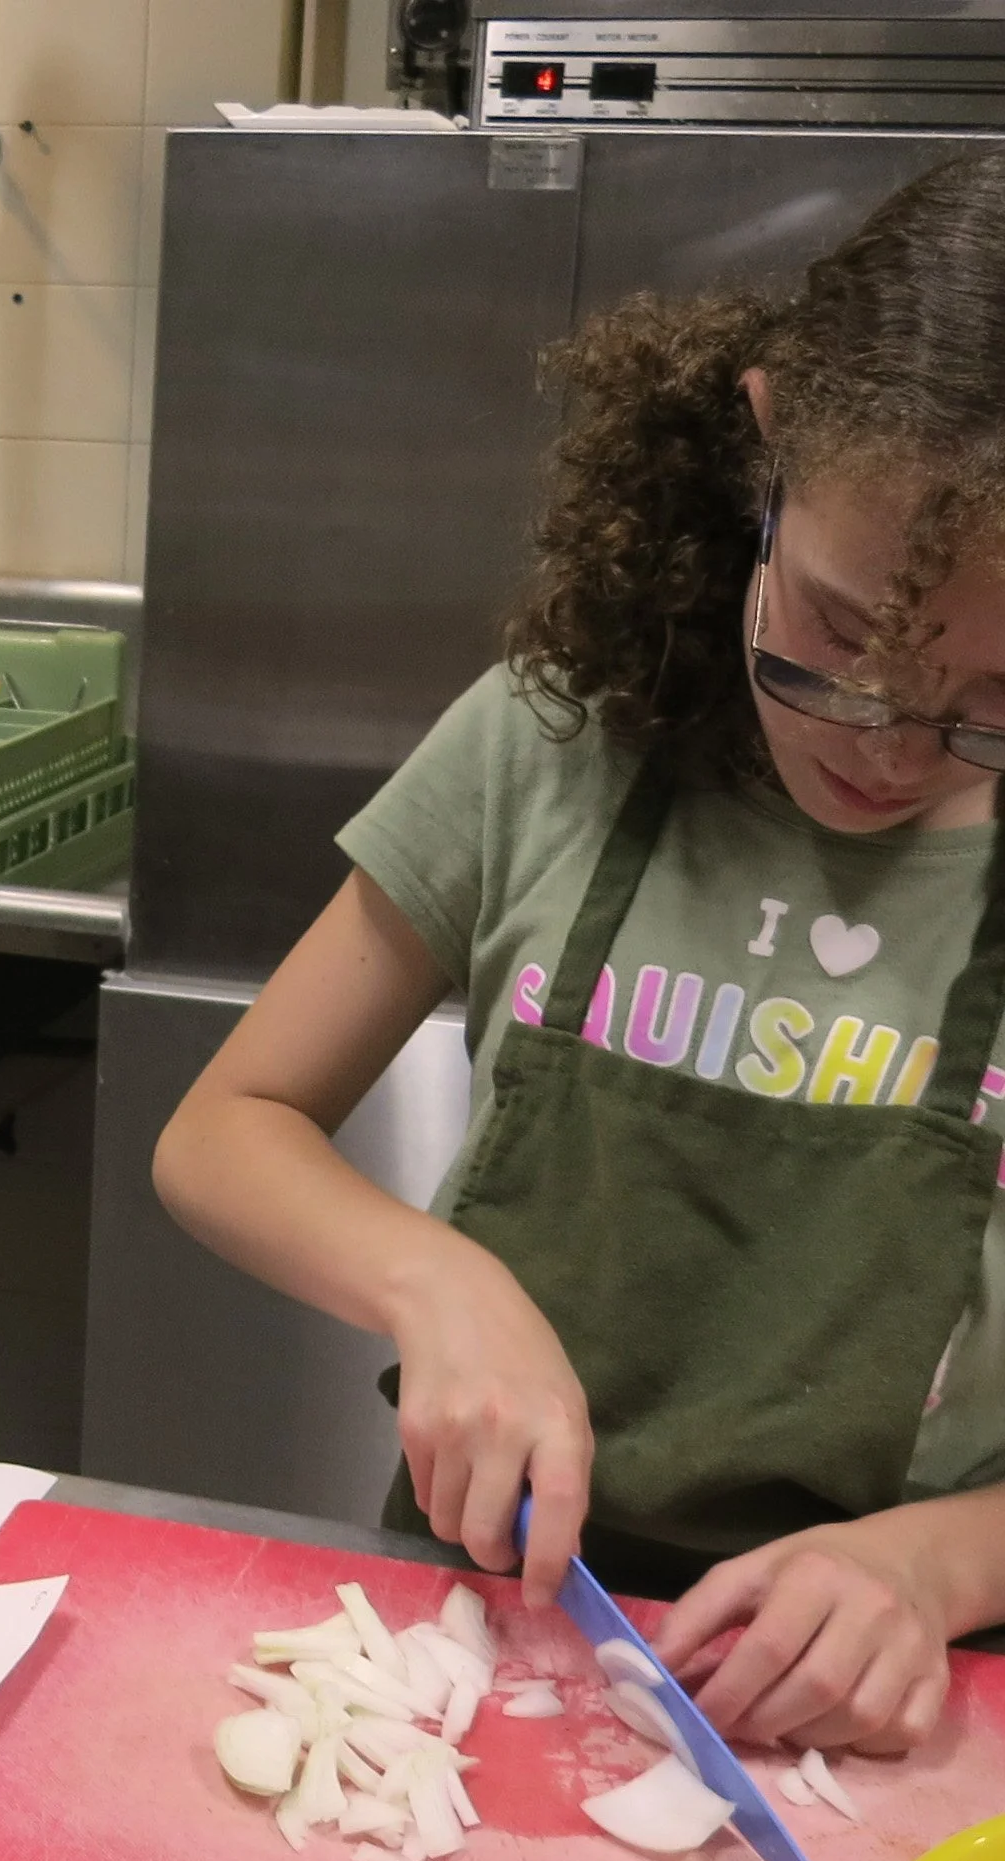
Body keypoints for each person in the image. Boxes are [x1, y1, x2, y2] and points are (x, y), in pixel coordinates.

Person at [153, 152, 1005, 1758]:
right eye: (836, 638)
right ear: (767, 446)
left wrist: (937, 1563)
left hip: (907, 1700)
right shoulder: (551, 746)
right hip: (482, 1638)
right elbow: (220, 1134)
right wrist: (436, 1282)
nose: (893, 746)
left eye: (991, 697)